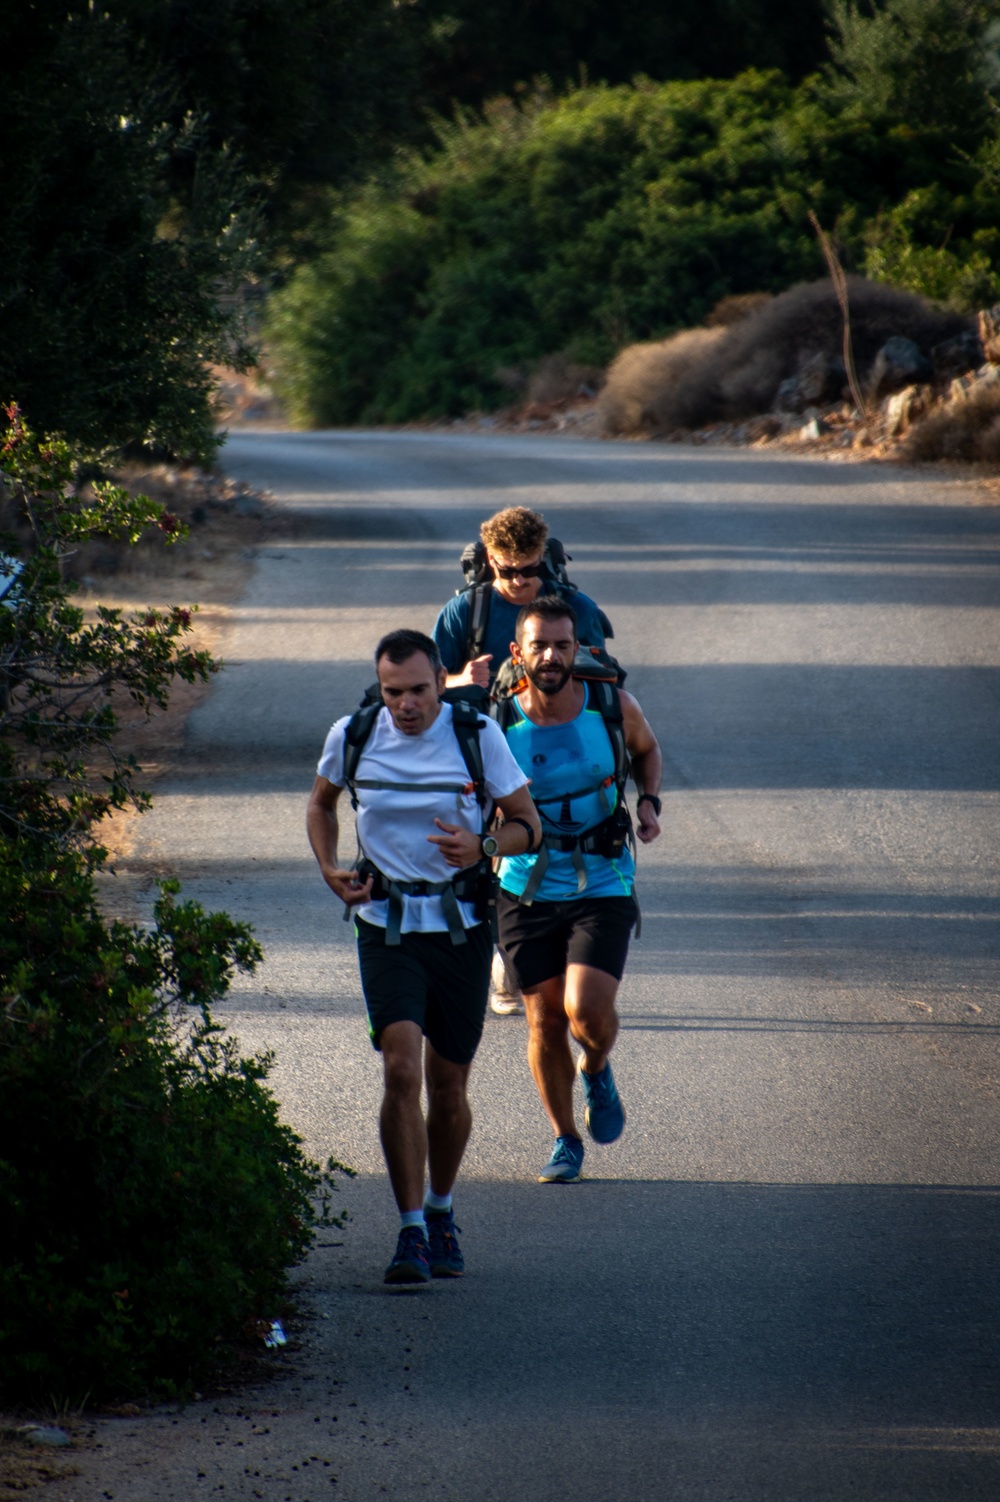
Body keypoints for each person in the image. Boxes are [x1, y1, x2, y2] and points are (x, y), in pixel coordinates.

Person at [307, 629, 540, 1283]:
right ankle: (410, 1230)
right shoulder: (353, 734)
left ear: (441, 679)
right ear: (379, 688)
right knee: (402, 1071)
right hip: (385, 926)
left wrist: (484, 848)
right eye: (392, 692)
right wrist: (329, 867)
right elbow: (321, 805)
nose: (405, 705)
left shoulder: (477, 737)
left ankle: (441, 1209)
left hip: (462, 929)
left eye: (416, 690)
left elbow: (528, 823)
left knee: (448, 1084)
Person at [493, 595, 663, 1184]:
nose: (550, 656)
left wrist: (648, 801)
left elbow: (646, 751)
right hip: (524, 885)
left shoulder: (611, 706)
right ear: (519, 652)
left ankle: (596, 1065)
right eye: (538, 645)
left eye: (562, 645)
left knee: (586, 1011)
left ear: (578, 649)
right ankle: (565, 1139)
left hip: (604, 875)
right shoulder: (498, 724)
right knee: (542, 1020)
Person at [433, 505, 611, 1016]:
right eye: (505, 570)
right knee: (493, 853)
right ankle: (506, 960)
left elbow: (608, 688)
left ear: (544, 561)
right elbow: (423, 685)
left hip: (559, 753)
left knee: (550, 845)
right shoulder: (465, 612)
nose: (517, 581)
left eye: (529, 570)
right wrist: (460, 680)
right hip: (479, 755)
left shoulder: (576, 608)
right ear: (489, 560)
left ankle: (538, 961)